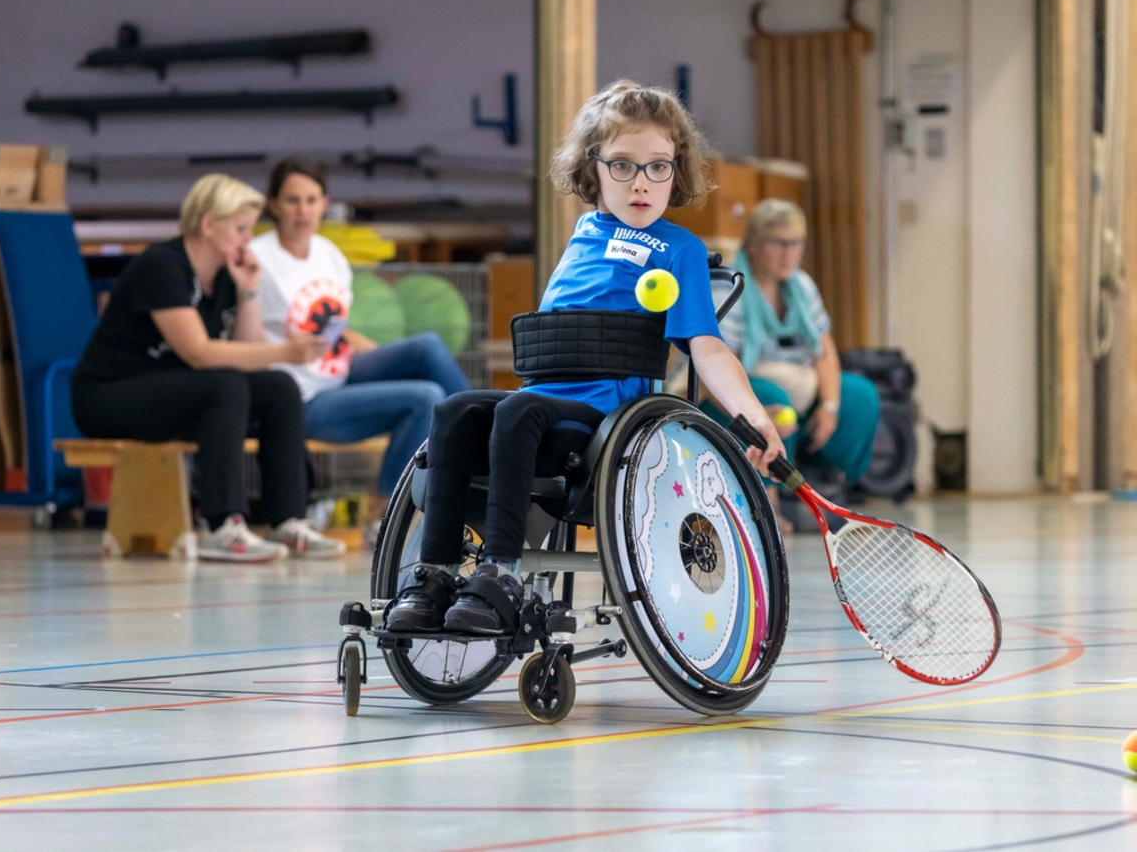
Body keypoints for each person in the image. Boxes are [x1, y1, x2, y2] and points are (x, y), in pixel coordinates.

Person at [385, 80, 785, 636]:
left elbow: (708, 346)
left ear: (677, 171)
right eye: (622, 165)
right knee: (454, 410)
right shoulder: (584, 232)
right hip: (541, 399)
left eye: (658, 167)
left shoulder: (680, 250)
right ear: (592, 169)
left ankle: (501, 574)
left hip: (602, 419)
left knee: (516, 412)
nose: (641, 182)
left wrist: (754, 413)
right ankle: (433, 576)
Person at [72, 173, 345, 562]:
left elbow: (247, 352)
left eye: (250, 229)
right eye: (240, 228)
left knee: (278, 387)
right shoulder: (162, 265)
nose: (247, 239)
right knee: (225, 385)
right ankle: (222, 525)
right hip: (108, 394)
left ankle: (288, 520)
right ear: (207, 224)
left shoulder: (226, 274)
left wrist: (248, 290)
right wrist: (284, 350)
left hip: (173, 390)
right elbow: (198, 353)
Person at [248, 157, 470, 545]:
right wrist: (284, 350)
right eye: (292, 200)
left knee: (427, 346)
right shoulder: (257, 258)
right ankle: (384, 516)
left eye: (311, 200)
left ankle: (482, 437)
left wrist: (385, 357)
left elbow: (336, 330)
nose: (303, 211)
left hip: (340, 368)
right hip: (302, 397)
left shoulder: (328, 254)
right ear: (274, 205)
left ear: (324, 203)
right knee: (425, 398)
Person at [704, 198, 879, 531]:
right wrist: (754, 412)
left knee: (859, 395)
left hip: (798, 383)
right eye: (778, 243)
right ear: (754, 245)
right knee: (775, 399)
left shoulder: (801, 285)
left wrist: (829, 407)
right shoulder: (729, 288)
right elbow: (716, 365)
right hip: (738, 390)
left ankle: (836, 487)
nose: (788, 253)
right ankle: (766, 498)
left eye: (796, 243)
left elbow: (824, 352)